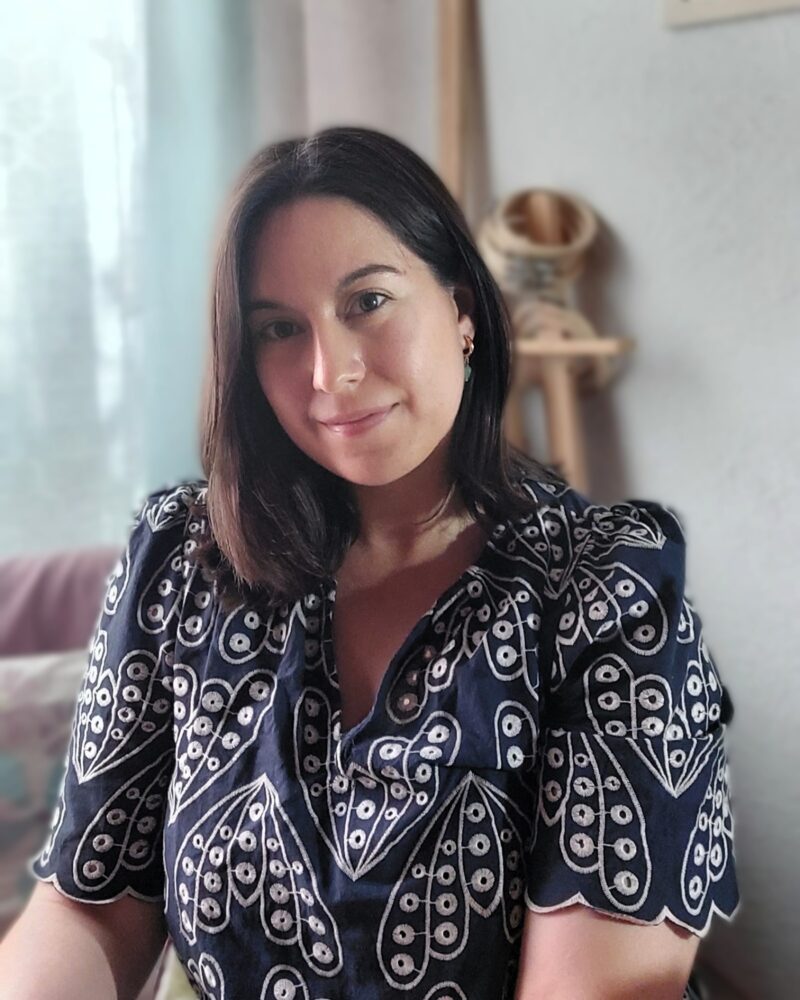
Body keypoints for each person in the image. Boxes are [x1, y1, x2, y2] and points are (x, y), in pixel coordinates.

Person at [0, 126, 739, 1000]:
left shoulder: (609, 591)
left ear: (462, 309)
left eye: (369, 301)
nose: (331, 372)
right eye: (280, 328)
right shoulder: (182, 560)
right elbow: (89, 906)